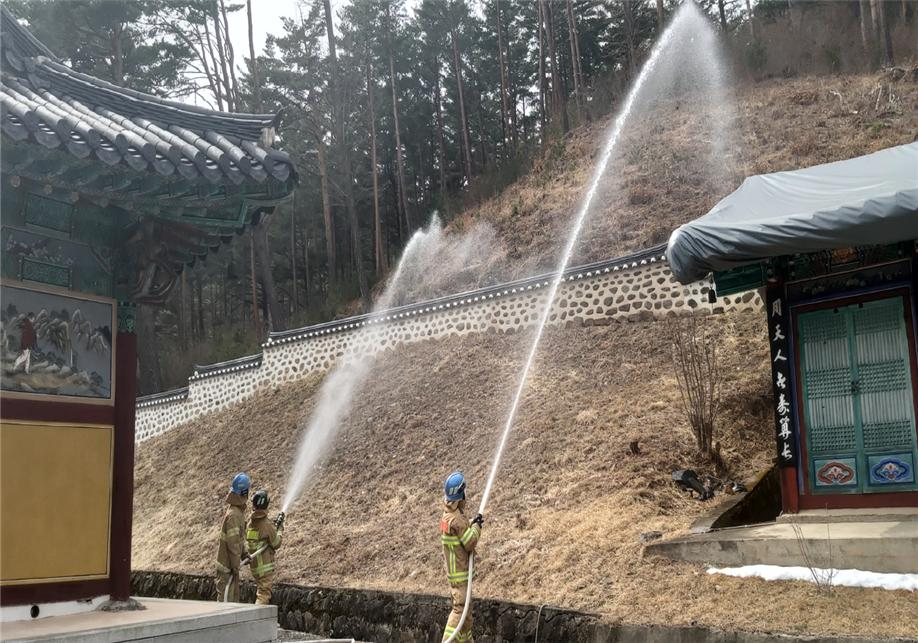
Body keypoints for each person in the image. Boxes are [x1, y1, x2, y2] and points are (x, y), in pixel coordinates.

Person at [439, 471, 483, 643]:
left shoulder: (448, 517)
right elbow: (470, 541)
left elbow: (460, 533)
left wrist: (471, 522)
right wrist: (477, 528)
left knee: (466, 611)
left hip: (455, 574)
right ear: (460, 494)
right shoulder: (456, 520)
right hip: (461, 574)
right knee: (460, 610)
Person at [245, 490, 284, 605]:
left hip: (255, 567)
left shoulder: (250, 524)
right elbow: (276, 543)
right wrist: (280, 529)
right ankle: (256, 619)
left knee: (260, 591)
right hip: (264, 568)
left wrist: (273, 527)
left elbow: (261, 538)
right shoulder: (266, 524)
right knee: (263, 594)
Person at [215, 472, 249, 602]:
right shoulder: (234, 515)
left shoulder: (237, 512)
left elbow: (239, 539)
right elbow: (233, 544)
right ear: (244, 493)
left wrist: (244, 554)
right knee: (226, 604)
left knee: (233, 603)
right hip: (227, 569)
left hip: (230, 567)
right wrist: (235, 566)